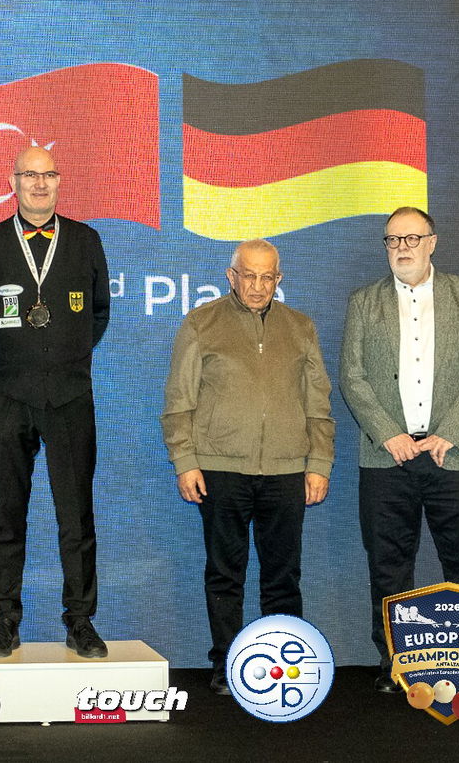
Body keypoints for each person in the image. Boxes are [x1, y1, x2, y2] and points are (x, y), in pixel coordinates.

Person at [162, 239, 334, 695]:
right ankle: (226, 663)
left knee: (284, 578)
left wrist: (319, 462)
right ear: (231, 276)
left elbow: (318, 403)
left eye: (266, 277)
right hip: (219, 470)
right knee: (225, 575)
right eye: (248, 275)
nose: (257, 286)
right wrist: (185, 461)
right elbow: (179, 401)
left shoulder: (301, 327)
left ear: (279, 279)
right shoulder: (201, 323)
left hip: (286, 471)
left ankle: (286, 665)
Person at [339, 207, 459, 694]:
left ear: (432, 242)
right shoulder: (364, 302)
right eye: (393, 240)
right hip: (387, 457)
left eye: (411, 238)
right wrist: (388, 433)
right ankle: (396, 665)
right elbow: (352, 376)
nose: (402, 248)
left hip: (457, 454)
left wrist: (449, 432)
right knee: (388, 567)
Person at [0, 144, 110, 659]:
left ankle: (80, 622)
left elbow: (98, 314)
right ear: (13, 182)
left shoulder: (86, 241)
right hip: (9, 395)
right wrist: (14, 361)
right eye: (29, 175)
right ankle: (5, 621)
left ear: (60, 180)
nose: (39, 184)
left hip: (70, 396)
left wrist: (65, 358)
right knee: (6, 517)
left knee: (77, 517)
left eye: (48, 174)